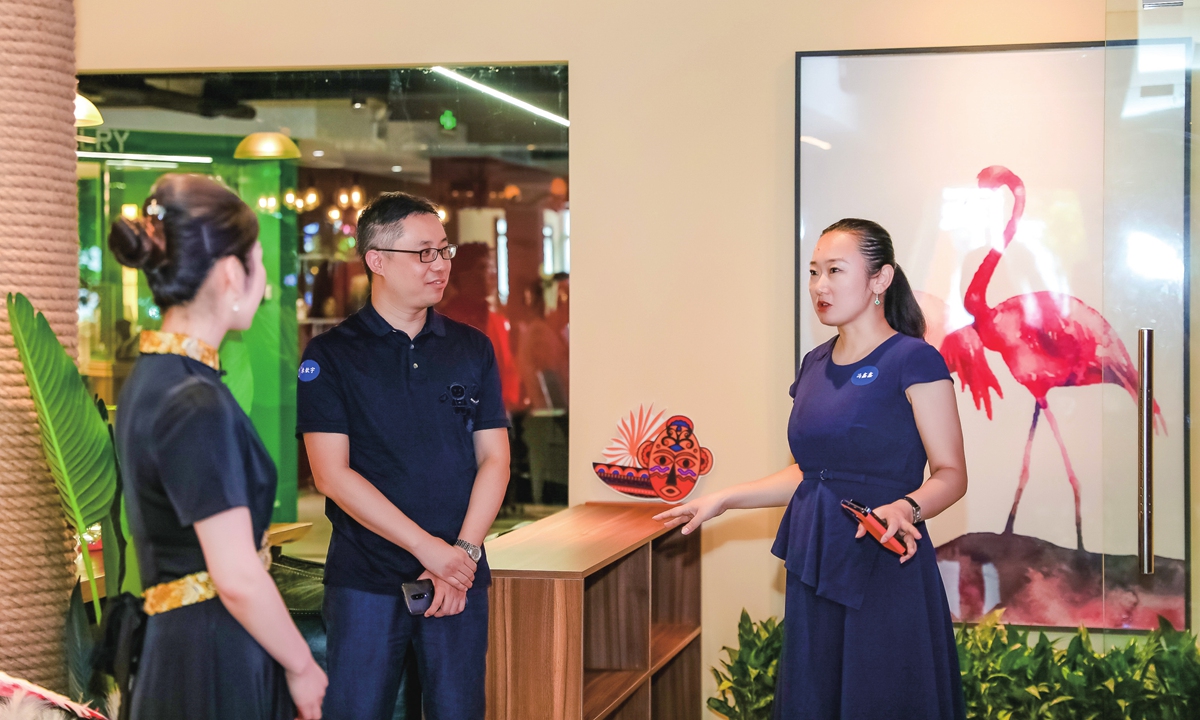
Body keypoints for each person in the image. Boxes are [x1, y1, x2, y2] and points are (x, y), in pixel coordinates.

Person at [656, 219, 968, 720]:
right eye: (814, 272)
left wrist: (906, 506)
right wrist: (724, 498)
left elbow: (952, 473)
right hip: (816, 554)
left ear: (880, 280)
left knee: (881, 698)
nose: (820, 286)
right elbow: (811, 473)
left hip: (884, 560)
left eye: (835, 271)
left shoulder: (915, 359)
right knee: (816, 698)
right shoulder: (813, 363)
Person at [110, 174, 327, 720]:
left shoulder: (153, 377)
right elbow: (235, 576)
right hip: (211, 651)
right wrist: (303, 666)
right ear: (232, 274)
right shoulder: (193, 399)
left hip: (181, 643)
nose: (269, 287)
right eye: (260, 266)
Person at [297, 192, 511, 720]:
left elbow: (495, 460)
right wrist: (428, 551)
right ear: (377, 260)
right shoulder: (331, 355)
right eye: (424, 253)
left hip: (459, 577)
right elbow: (331, 475)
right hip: (366, 579)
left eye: (444, 251)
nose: (439, 265)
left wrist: (459, 555)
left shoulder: (471, 348)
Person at [437, 242, 521, 411]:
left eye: (491, 267)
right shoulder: (445, 323)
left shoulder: (497, 321)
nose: (492, 274)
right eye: (482, 267)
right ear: (461, 276)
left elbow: (508, 370)